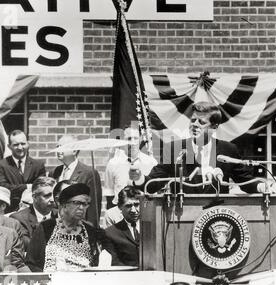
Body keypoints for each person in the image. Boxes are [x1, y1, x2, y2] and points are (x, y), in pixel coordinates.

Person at [129, 102, 267, 194]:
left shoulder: (228, 150)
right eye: (193, 120)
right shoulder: (175, 148)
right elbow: (154, 183)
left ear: (214, 127)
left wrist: (262, 186)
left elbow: (244, 180)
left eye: (201, 122)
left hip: (217, 217)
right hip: (181, 217)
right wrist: (139, 177)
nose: (194, 124)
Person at [26, 183, 106, 272]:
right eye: (77, 203)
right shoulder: (46, 228)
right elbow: (31, 263)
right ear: (64, 205)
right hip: (52, 281)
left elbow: (97, 263)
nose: (81, 208)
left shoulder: (90, 230)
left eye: (85, 204)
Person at [51, 135, 102, 227]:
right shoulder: (55, 172)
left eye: (62, 146)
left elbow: (93, 209)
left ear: (74, 150)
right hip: (58, 225)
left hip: (78, 226)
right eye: (57, 146)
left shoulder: (89, 173)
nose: (58, 150)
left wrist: (91, 231)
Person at [104, 125, 157, 209]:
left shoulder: (151, 162)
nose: (132, 143)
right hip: (121, 214)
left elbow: (156, 192)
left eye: (135, 138)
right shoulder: (113, 163)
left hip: (145, 212)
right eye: (129, 139)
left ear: (140, 139)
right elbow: (109, 194)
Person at [0, 130, 46, 213]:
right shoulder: (1, 165)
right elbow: (3, 187)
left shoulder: (38, 165)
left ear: (28, 144)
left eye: (23, 143)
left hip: (32, 211)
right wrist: (27, 187)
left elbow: (41, 188)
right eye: (16, 144)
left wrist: (14, 188)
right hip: (10, 210)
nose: (20, 147)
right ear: (9, 146)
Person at [10, 176, 57, 251]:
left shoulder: (60, 216)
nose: (52, 199)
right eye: (47, 195)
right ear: (34, 197)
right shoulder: (18, 219)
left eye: (54, 195)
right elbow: (29, 246)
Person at [103, 186, 142, 266]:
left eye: (137, 205)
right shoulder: (110, 233)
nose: (134, 210)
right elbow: (115, 263)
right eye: (128, 206)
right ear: (120, 207)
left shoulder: (152, 229)